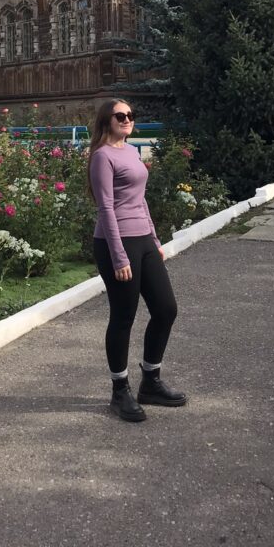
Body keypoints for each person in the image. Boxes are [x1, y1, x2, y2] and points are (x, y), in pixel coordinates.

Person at [88, 99, 187, 422]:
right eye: (121, 115)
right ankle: (120, 391)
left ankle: (151, 381)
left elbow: (139, 201)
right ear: (107, 120)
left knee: (165, 308)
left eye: (131, 115)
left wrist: (155, 240)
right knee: (124, 316)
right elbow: (106, 208)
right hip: (116, 242)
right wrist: (118, 256)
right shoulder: (103, 156)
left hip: (143, 239)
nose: (127, 119)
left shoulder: (130, 151)